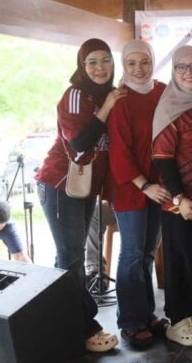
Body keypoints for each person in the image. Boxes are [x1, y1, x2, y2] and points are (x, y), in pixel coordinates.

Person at [35, 37, 123, 353]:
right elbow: (79, 143)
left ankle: (63, 324)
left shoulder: (109, 94)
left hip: (85, 188)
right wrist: (108, 107)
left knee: (69, 256)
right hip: (61, 185)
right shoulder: (76, 95)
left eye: (106, 60)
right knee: (71, 256)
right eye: (92, 62)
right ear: (82, 66)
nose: (100, 68)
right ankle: (83, 328)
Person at [107, 39, 170, 350]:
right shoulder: (121, 100)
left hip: (159, 187)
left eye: (144, 62)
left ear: (153, 62)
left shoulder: (164, 92)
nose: (139, 69)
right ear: (123, 66)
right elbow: (119, 151)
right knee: (132, 254)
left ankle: (147, 314)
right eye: (131, 64)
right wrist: (145, 185)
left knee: (147, 253)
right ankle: (131, 322)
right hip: (131, 187)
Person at [151, 45, 192, 347]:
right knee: (179, 256)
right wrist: (179, 197)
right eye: (181, 67)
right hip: (179, 198)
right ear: (174, 71)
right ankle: (177, 320)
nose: (189, 72)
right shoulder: (169, 107)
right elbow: (163, 158)